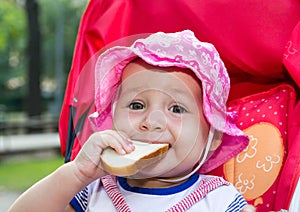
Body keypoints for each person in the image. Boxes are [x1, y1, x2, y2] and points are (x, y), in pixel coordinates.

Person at [9, 30, 255, 211]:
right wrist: (76, 174)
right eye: (136, 105)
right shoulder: (92, 193)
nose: (151, 122)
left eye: (177, 108)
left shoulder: (217, 200)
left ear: (213, 136)